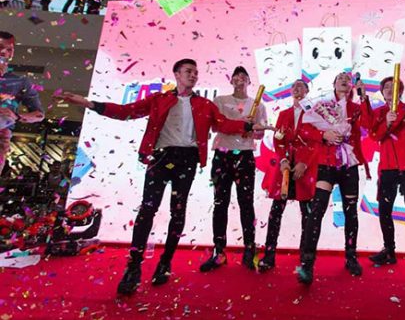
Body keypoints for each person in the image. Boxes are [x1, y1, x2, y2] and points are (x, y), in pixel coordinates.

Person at [54, 59, 267, 295]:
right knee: (147, 209)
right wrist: (90, 103)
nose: (193, 75)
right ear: (176, 74)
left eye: (196, 73)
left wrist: (249, 127)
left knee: (178, 212)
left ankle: (165, 263)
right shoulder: (159, 99)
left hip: (187, 160)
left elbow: (223, 124)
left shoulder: (205, 104)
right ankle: (133, 268)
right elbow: (126, 111)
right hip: (161, 158)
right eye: (189, 71)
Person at [360, 76, 405, 292]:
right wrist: (387, 122)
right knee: (384, 211)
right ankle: (389, 250)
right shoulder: (380, 113)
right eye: (386, 87)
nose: (390, 90)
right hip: (387, 169)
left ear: (401, 90)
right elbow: (374, 135)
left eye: (395, 87)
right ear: (382, 93)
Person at [296, 71, 367, 284]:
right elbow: (304, 129)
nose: (344, 80)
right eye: (340, 78)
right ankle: (307, 263)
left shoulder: (356, 108)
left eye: (348, 79)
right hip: (327, 162)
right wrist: (323, 135)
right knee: (317, 210)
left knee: (350, 211)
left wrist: (364, 98)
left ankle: (351, 257)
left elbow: (370, 124)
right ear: (334, 84)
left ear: (352, 86)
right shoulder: (322, 105)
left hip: (349, 164)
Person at [200, 66, 268, 272]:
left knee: (246, 204)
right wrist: (240, 124)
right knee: (220, 203)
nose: (240, 79)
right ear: (231, 81)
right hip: (222, 155)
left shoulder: (258, 105)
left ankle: (249, 250)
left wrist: (254, 128)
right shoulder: (220, 101)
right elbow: (215, 126)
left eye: (243, 77)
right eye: (236, 77)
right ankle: (219, 252)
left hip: (245, 156)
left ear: (249, 82)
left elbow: (260, 135)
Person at [258, 79, 318, 271]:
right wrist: (283, 159)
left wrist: (304, 163)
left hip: (304, 169)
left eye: (301, 86)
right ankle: (269, 255)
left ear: (307, 91)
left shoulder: (314, 114)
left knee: (307, 214)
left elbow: (316, 142)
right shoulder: (283, 114)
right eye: (294, 86)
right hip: (284, 168)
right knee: (276, 212)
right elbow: (279, 139)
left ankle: (305, 257)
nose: (297, 88)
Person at [0, 31, 45, 173]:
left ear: (12, 53)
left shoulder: (20, 82)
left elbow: (39, 114)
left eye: (9, 49)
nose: (3, 52)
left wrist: (17, 116)